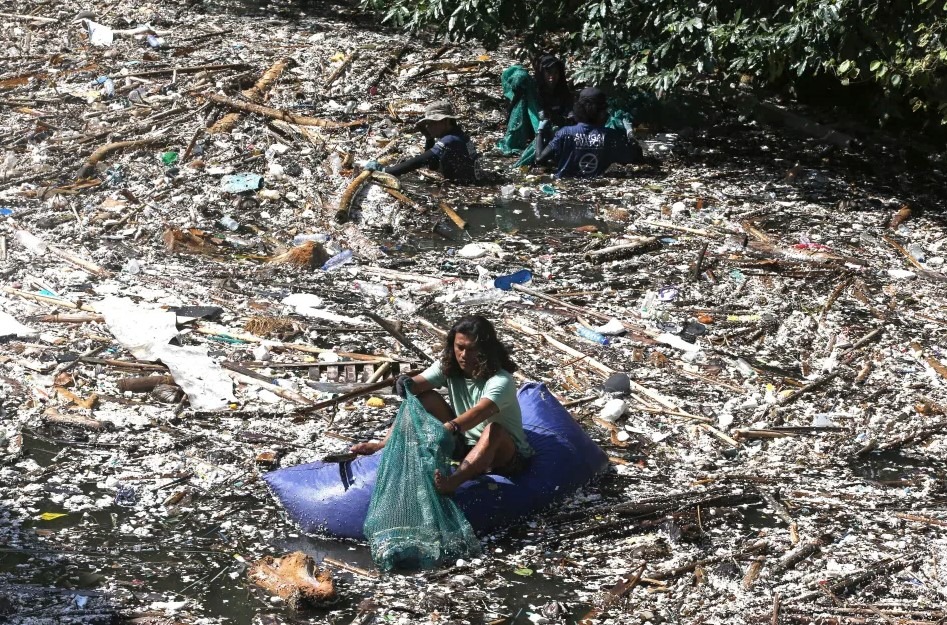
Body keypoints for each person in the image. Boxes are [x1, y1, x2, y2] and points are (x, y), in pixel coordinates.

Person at [351, 316, 534, 495]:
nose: (464, 355)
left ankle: (453, 482)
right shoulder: (449, 366)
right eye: (459, 348)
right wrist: (405, 383)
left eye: (471, 350)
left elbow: (479, 413)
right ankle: (383, 444)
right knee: (426, 398)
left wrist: (450, 427)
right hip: (465, 444)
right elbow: (419, 384)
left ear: (486, 350)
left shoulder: (501, 380)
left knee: (494, 429)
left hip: (504, 455)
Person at [534, 87, 643, 178]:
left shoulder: (564, 133)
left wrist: (539, 132)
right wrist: (630, 133)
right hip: (595, 187)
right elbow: (636, 158)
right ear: (599, 112)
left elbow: (539, 159)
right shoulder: (610, 136)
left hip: (564, 185)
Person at [363, 100, 481, 184]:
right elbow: (432, 165)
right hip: (472, 183)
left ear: (445, 121)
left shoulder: (450, 140)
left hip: (468, 187)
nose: (428, 127)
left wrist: (386, 171)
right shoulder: (459, 136)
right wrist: (429, 139)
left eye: (432, 123)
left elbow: (419, 161)